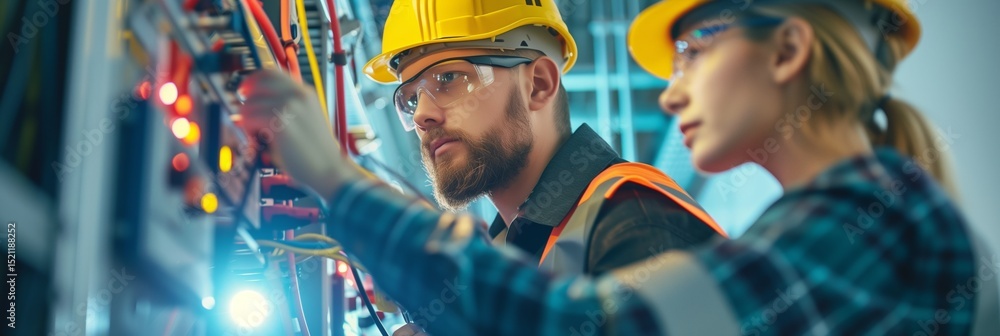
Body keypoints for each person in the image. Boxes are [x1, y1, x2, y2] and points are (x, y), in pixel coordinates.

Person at [237, 0, 999, 335]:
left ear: (788, 50)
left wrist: (341, 186)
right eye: (411, 96)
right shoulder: (843, 223)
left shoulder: (864, 233)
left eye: (696, 49)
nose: (672, 88)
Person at [363, 0, 726, 278]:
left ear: (538, 85)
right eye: (410, 98)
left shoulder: (634, 219)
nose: (421, 114)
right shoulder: (509, 251)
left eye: (449, 79)